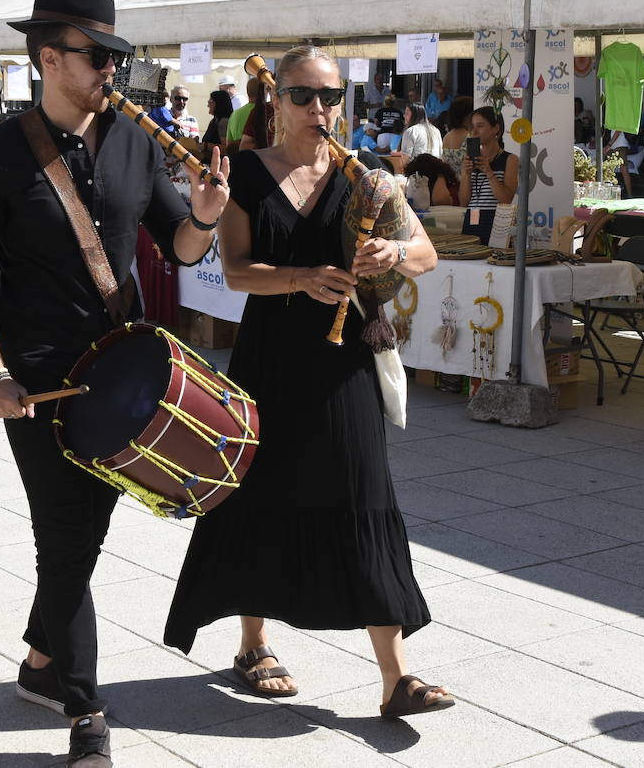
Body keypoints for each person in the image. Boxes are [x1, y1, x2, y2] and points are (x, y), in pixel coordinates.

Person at [0, 0, 226, 768]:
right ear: (47, 57)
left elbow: (182, 246)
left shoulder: (135, 141)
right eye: (95, 55)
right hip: (37, 381)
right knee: (63, 535)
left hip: (124, 369)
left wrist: (204, 213)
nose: (112, 68)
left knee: (87, 532)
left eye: (116, 55)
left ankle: (40, 661)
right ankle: (85, 709)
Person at [164, 44, 451, 720]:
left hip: (344, 359)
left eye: (329, 97)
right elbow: (234, 270)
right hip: (269, 358)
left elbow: (426, 253)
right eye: (302, 96)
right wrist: (299, 278)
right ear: (277, 100)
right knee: (257, 492)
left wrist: (394, 252)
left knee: (363, 492)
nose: (318, 109)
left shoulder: (366, 177)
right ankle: (253, 643)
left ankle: (396, 676)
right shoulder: (248, 176)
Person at [459, 106, 518, 243]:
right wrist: (466, 174)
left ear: (496, 129)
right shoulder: (471, 159)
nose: (474, 131)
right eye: (472, 126)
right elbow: (464, 202)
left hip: (497, 221)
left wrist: (489, 172)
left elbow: (506, 200)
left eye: (480, 126)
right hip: (472, 219)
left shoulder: (510, 159)